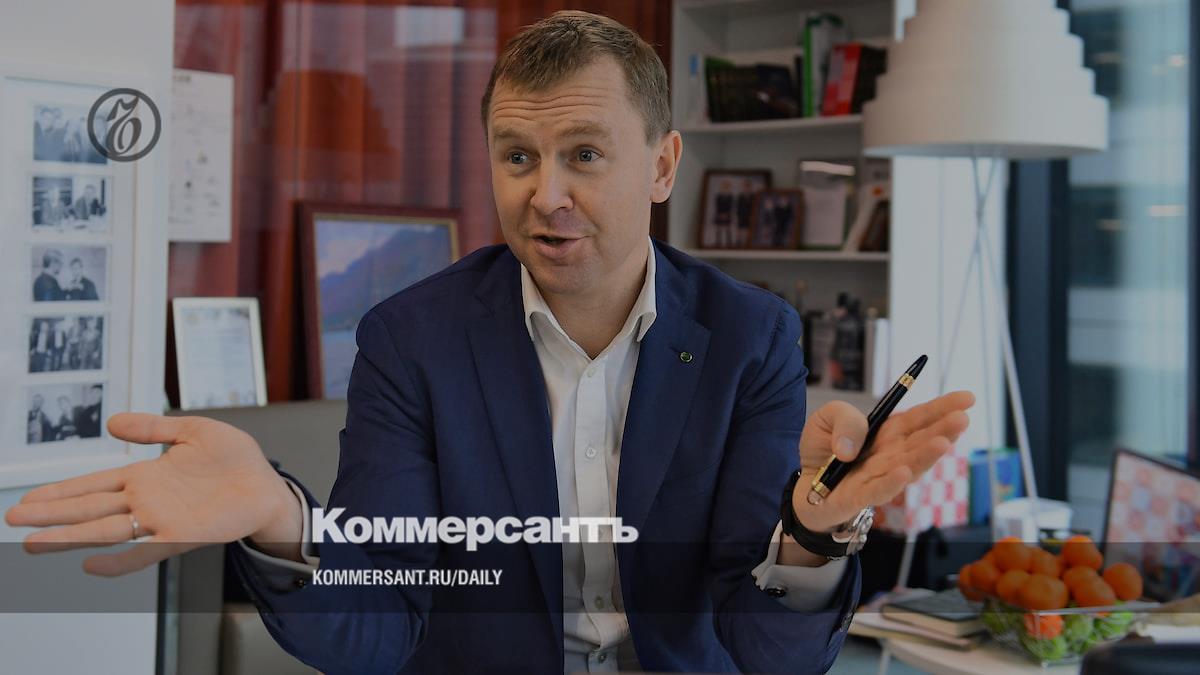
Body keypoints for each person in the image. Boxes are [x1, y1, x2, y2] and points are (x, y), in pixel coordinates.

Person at [4, 12, 974, 674]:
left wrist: (811, 533)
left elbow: (768, 650)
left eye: (584, 154)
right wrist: (279, 518)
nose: (545, 194)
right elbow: (379, 625)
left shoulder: (750, 337)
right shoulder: (410, 340)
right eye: (518, 156)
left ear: (663, 165)